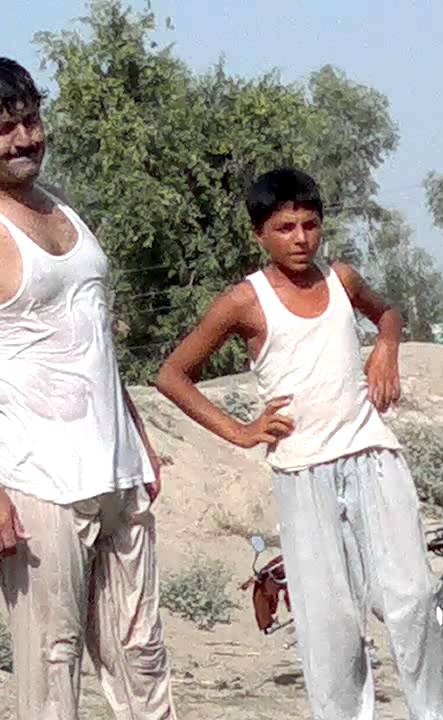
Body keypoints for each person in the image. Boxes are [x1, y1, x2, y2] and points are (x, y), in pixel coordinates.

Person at [154, 168, 443, 720]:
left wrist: (386, 346)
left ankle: (435, 713)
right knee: (330, 624)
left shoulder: (341, 279)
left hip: (371, 454)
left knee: (412, 598)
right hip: (303, 470)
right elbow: (172, 375)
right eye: (285, 228)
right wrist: (241, 431)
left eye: (310, 225)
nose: (300, 238)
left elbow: (387, 313)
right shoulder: (245, 301)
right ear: (259, 234)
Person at [0, 58, 176, 719]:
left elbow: (94, 338)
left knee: (141, 653)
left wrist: (137, 435)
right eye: (5, 128)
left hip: (114, 467)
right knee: (52, 663)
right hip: (37, 478)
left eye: (31, 121)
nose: (24, 140)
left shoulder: (65, 212)